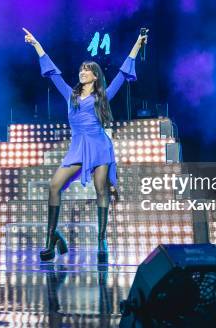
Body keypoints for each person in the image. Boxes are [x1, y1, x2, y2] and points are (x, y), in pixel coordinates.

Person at [23, 27, 146, 262]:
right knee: (54, 186)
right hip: (78, 147)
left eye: (87, 70)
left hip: (99, 146)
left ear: (95, 76)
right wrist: (36, 44)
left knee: (101, 189)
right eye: (81, 69)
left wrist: (138, 44)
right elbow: (53, 73)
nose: (82, 72)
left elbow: (122, 72)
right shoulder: (70, 95)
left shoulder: (103, 96)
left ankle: (101, 240)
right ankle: (53, 237)